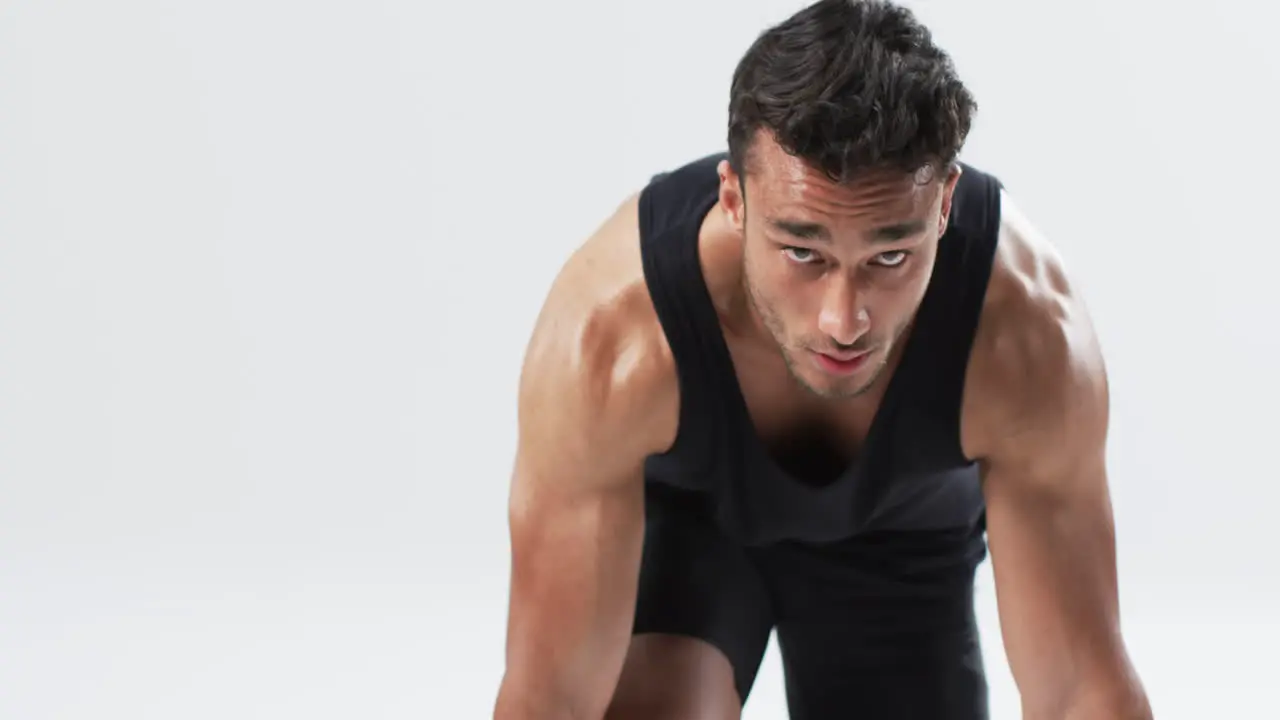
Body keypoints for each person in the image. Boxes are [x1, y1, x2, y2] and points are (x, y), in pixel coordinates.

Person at [493, 1, 1152, 718]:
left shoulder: (1025, 337)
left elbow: (1079, 688)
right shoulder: (614, 342)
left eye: (890, 256)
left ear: (945, 207)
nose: (845, 320)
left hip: (901, 540)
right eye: (803, 252)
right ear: (733, 200)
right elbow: (547, 699)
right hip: (692, 531)